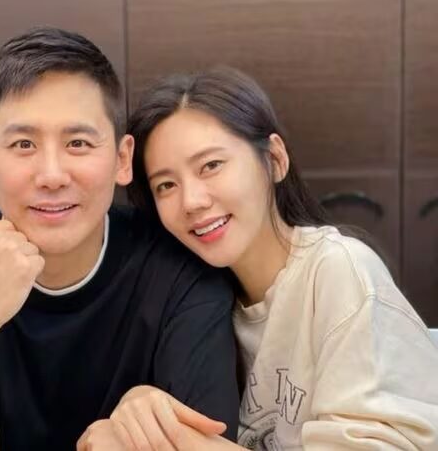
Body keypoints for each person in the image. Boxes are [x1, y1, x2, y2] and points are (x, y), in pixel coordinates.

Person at [0, 28, 241, 451]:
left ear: (122, 159)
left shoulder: (179, 270)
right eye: (23, 144)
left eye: (78, 143)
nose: (52, 176)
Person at [96, 67, 438, 450]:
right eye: (166, 185)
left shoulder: (337, 271)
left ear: (274, 159)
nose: (191, 201)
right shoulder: (193, 303)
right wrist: (137, 408)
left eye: (211, 166)